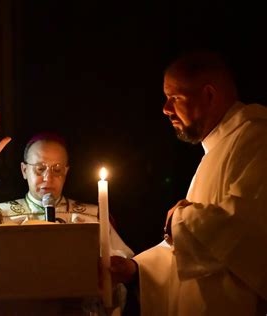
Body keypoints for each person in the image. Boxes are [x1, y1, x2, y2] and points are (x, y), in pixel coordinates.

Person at [110, 51, 267, 315]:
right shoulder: (217, 150)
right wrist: (136, 270)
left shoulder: (256, 139)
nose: (165, 108)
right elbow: (193, 251)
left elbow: (247, 229)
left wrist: (179, 219)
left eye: (175, 97)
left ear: (209, 95)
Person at [0, 109, 134, 314]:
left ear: (66, 172)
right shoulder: (0, 215)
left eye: (57, 168)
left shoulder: (93, 216)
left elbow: (118, 273)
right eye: (39, 168)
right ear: (24, 170)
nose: (48, 177)